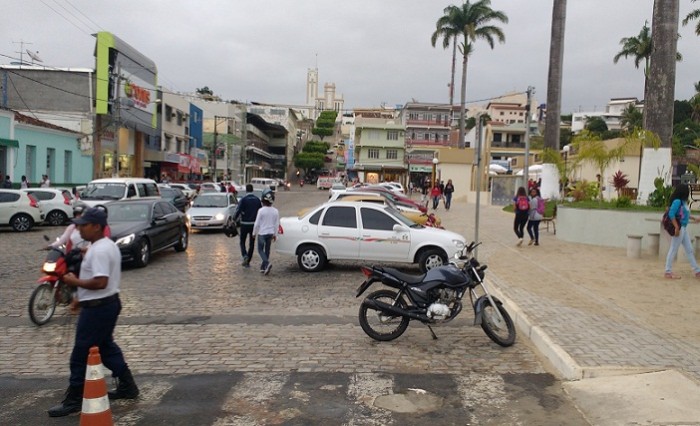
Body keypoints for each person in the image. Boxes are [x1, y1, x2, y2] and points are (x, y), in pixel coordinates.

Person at [48, 208, 139, 417]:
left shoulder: (99, 250)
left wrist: (73, 282)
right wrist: (80, 298)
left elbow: (100, 281)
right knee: (105, 346)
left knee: (80, 353)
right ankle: (128, 386)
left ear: (96, 227)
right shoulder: (104, 245)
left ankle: (74, 399)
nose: (79, 229)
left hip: (99, 308)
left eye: (83, 225)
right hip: (105, 304)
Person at [664, 183, 700, 279]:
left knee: (689, 250)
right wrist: (676, 227)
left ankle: (697, 271)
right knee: (673, 249)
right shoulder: (677, 201)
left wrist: (694, 218)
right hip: (680, 228)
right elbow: (671, 214)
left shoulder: (683, 202)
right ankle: (668, 271)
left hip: (683, 228)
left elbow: (684, 215)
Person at [234, 184, 262, 267]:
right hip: (254, 225)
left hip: (244, 224)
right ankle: (248, 260)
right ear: (252, 190)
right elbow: (260, 212)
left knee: (242, 241)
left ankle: (245, 255)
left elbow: (238, 210)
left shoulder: (243, 200)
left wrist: (234, 219)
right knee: (252, 243)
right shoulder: (257, 200)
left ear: (246, 190)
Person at [253, 189, 279, 275]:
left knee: (260, 250)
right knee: (267, 250)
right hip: (270, 233)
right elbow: (276, 224)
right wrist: (275, 234)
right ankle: (263, 267)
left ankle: (267, 263)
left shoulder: (261, 210)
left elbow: (257, 223)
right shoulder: (275, 211)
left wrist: (254, 233)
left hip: (262, 233)